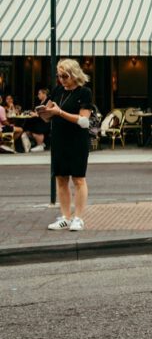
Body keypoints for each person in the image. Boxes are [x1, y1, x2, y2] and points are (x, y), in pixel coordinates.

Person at [40, 59, 94, 231]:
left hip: (77, 140)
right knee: (61, 178)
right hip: (59, 139)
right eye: (59, 76)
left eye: (65, 76)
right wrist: (42, 112)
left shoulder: (84, 92)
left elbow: (84, 121)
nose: (61, 79)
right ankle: (65, 216)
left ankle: (78, 217)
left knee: (78, 178)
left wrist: (60, 112)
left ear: (74, 75)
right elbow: (48, 113)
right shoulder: (57, 91)